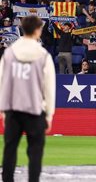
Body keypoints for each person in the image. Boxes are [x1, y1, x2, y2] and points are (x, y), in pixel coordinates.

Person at [0, 15, 56, 182]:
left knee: (10, 149)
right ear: (38, 30)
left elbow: (2, 82)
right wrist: (49, 114)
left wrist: (3, 109)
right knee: (35, 151)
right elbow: (49, 87)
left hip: (13, 108)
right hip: (35, 109)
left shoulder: (9, 53)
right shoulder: (43, 55)